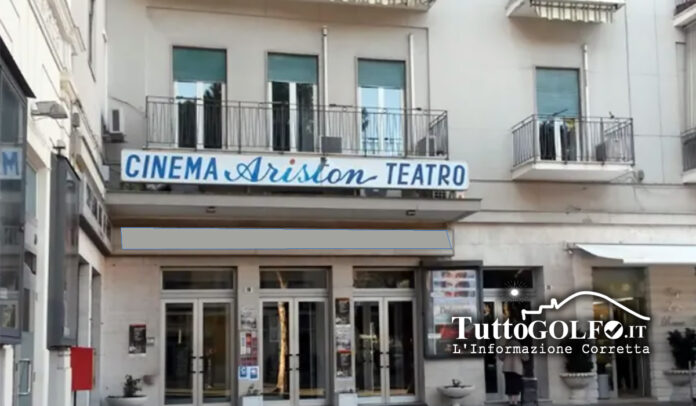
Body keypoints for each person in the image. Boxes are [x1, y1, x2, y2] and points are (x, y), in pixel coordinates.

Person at [499, 337, 527, 406]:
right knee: (516, 385)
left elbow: (501, 357)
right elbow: (525, 358)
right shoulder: (520, 347)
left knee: (509, 385)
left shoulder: (506, 346)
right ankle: (515, 401)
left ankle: (510, 401)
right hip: (517, 368)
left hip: (507, 368)